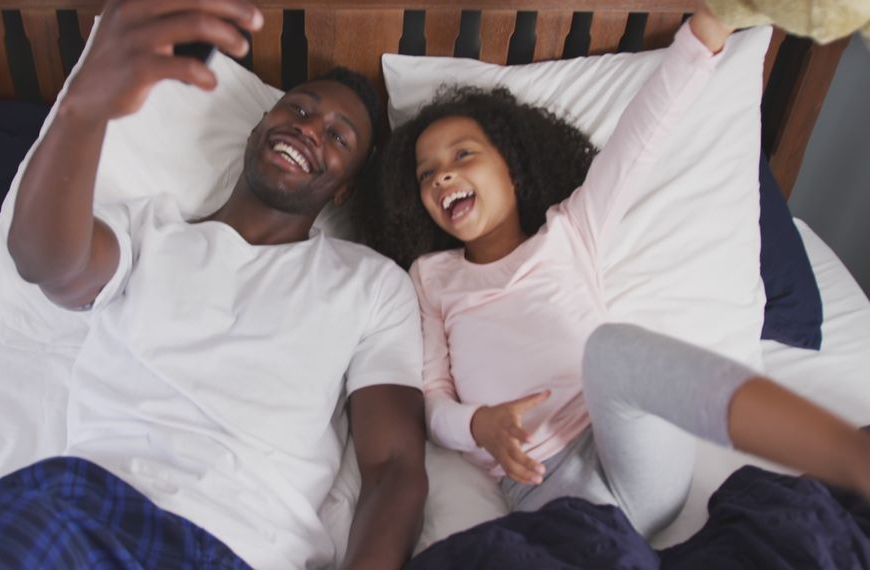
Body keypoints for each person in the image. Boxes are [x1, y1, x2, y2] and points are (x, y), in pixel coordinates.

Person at [0, 1, 427, 569]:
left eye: (339, 136)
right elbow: (48, 265)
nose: (309, 128)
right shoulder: (148, 229)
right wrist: (84, 110)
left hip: (244, 542)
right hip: (84, 509)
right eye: (298, 109)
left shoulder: (372, 285)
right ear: (259, 128)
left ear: (343, 191)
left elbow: (394, 470)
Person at [360, 6, 870, 539]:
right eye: (427, 173)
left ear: (511, 168)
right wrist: (477, 425)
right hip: (542, 492)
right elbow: (433, 398)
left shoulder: (568, 230)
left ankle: (845, 454)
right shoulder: (431, 277)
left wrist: (709, 31)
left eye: (464, 154)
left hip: (628, 453)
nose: (444, 174)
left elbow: (640, 139)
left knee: (613, 349)